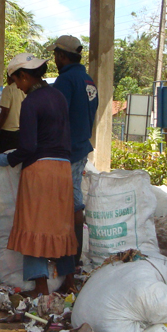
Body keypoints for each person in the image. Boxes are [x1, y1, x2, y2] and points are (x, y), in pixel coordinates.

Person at [0, 53, 77, 297]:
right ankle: (70, 282)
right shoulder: (58, 96)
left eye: (17, 81)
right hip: (63, 168)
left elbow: (28, 146)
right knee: (61, 227)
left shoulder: (30, 102)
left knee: (33, 226)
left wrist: (7, 159)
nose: (17, 87)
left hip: (40, 169)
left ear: (24, 76)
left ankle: (41, 288)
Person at [52, 35, 98, 266]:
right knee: (74, 199)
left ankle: (69, 256)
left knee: (68, 203)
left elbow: (57, 117)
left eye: (55, 55)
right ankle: (73, 255)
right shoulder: (88, 80)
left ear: (61, 55)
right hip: (81, 148)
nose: (55, 60)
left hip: (66, 151)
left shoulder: (65, 81)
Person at [0, 73, 23, 152]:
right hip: (21, 131)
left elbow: (5, 112)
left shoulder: (8, 89)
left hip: (8, 132)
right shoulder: (24, 89)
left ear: (9, 78)